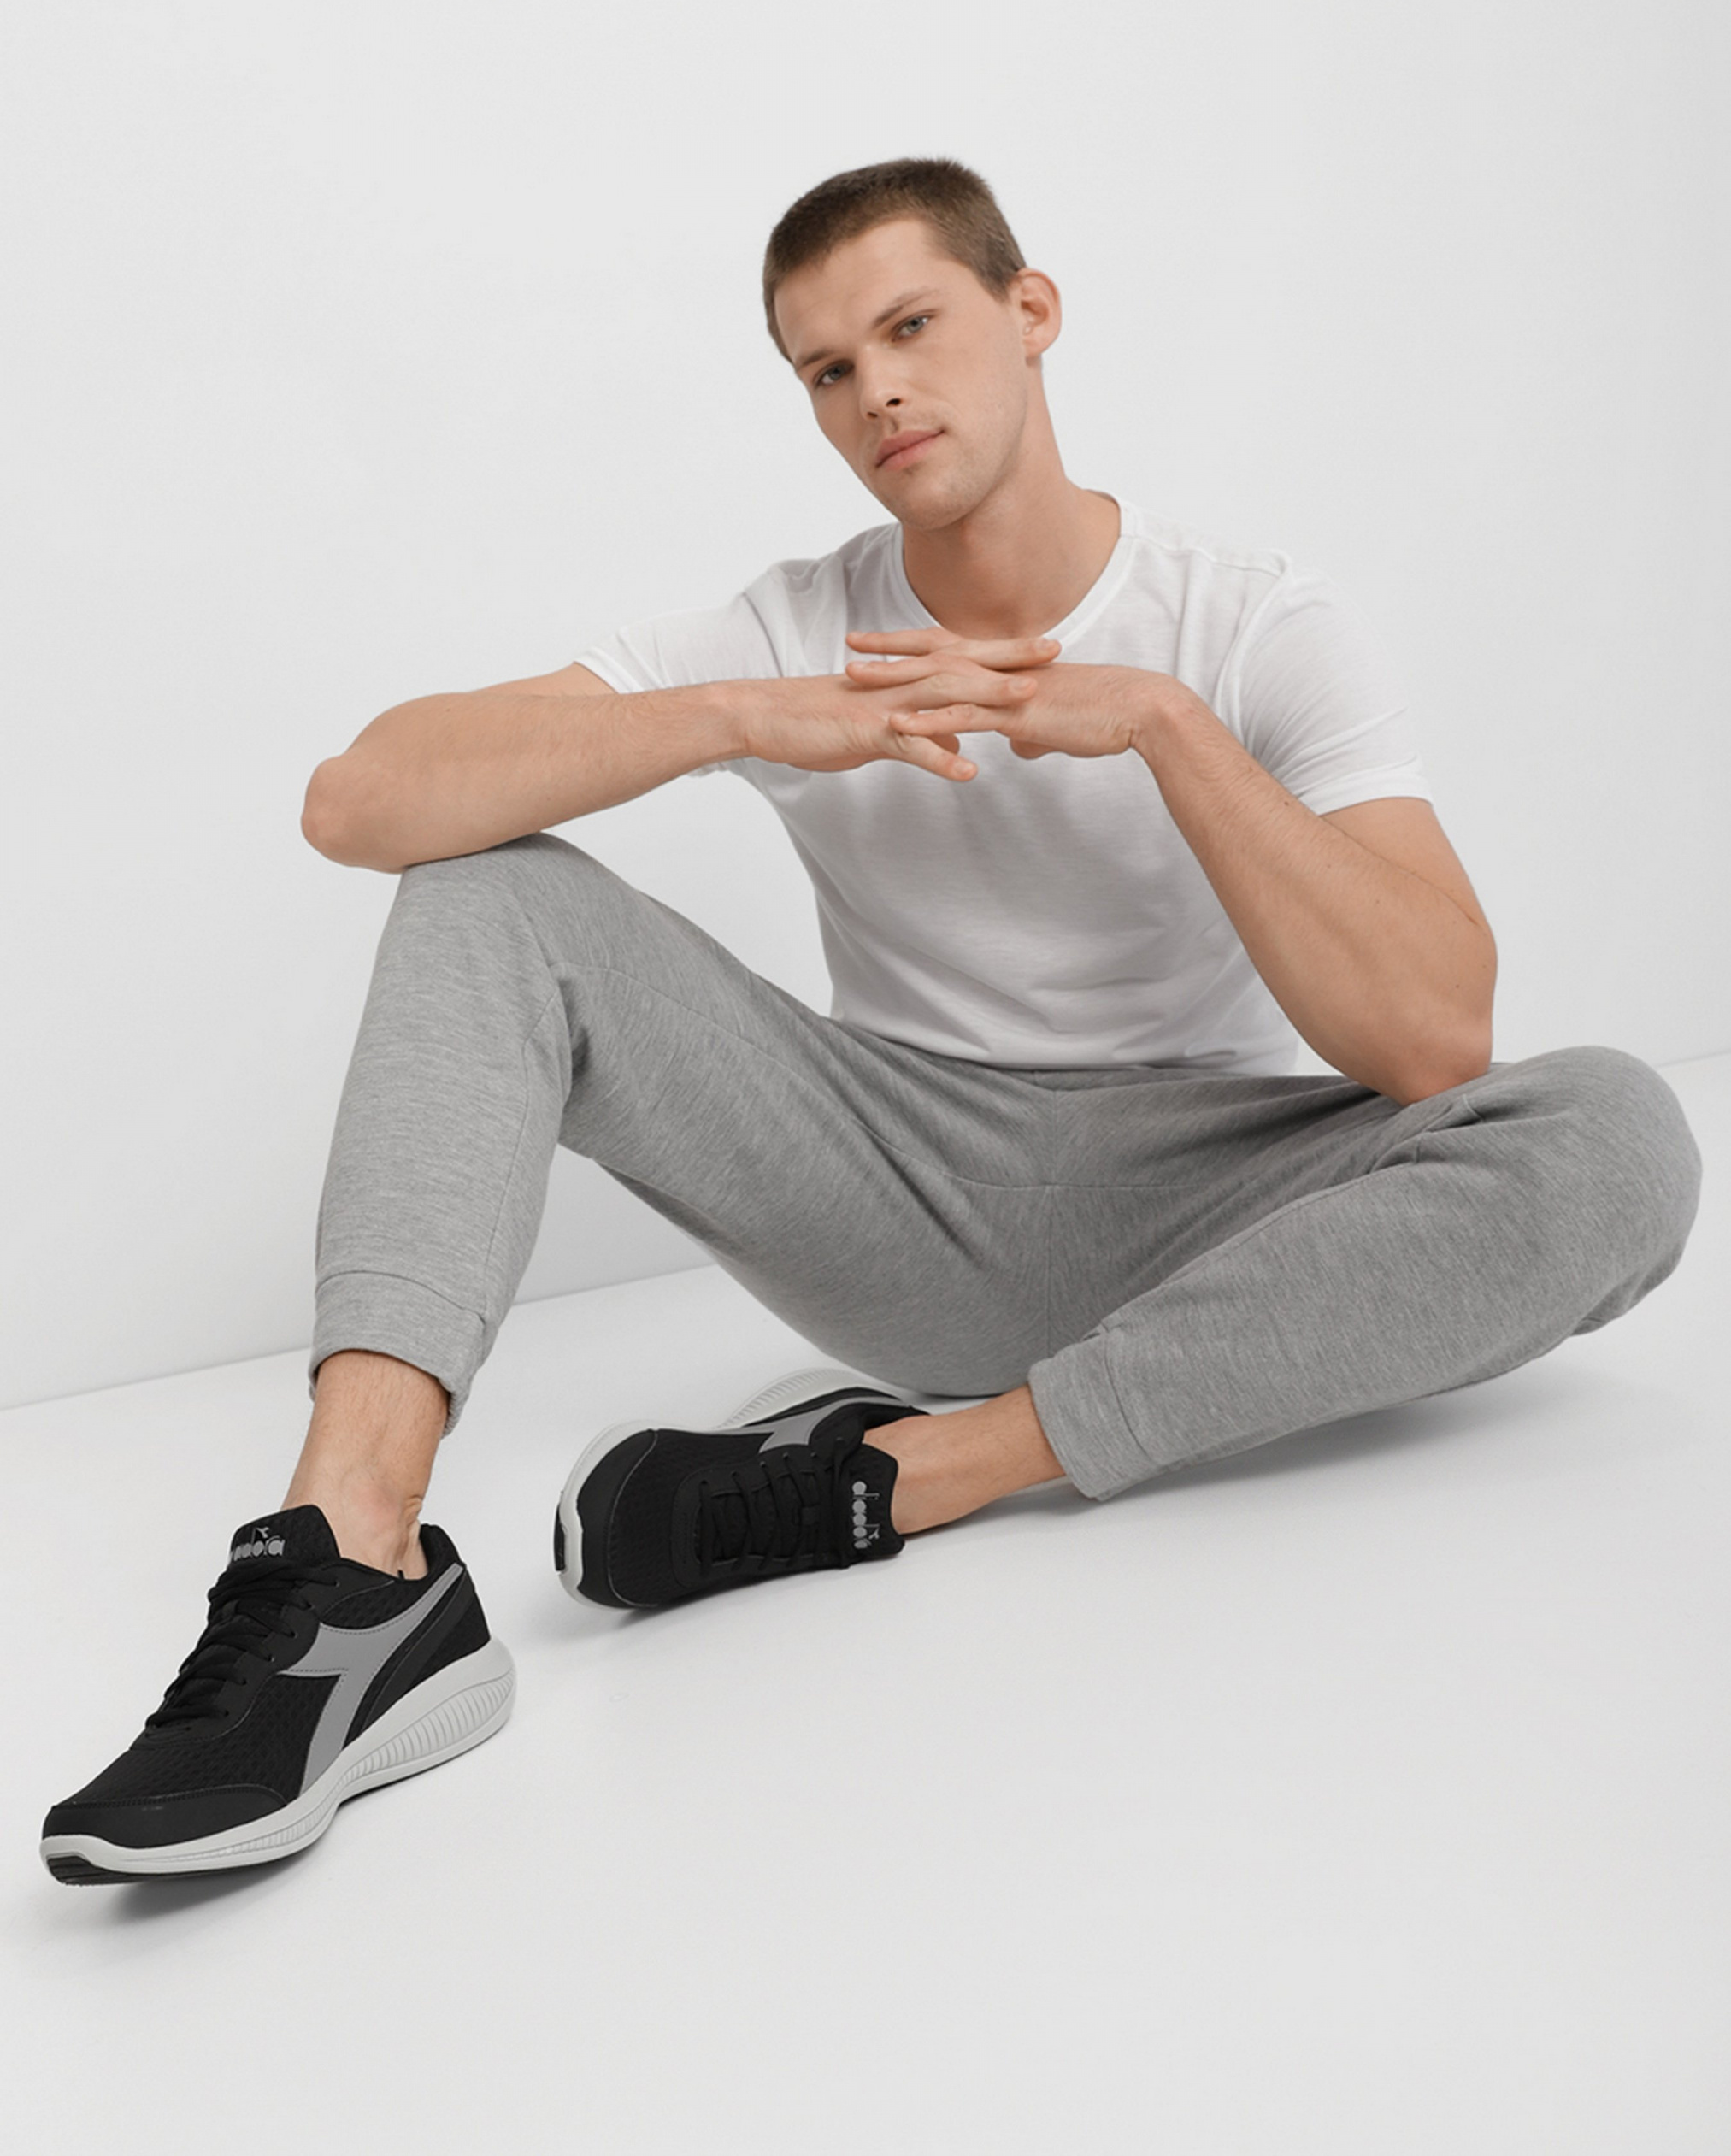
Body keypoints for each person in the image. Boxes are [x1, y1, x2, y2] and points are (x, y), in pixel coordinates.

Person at [41, 157, 1702, 1886]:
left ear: (1029, 312)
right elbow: (358, 800)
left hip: (1209, 1205)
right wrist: (740, 714)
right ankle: (353, 1573)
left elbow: (1433, 1044)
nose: (877, 393)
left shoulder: (1247, 622)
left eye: (911, 328)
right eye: (827, 369)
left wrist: (1161, 730)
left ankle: (901, 1475)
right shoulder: (797, 626)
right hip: (897, 1190)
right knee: (485, 891)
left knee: (1613, 1132)